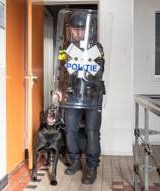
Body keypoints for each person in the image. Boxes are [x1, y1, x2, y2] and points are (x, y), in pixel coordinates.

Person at [53, 9, 105, 184]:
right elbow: (61, 70)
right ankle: (75, 160)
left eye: (81, 29)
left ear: (88, 30)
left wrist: (83, 68)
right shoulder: (66, 48)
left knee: (92, 132)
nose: (78, 32)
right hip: (71, 95)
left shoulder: (97, 48)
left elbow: (99, 71)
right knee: (70, 130)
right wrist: (60, 89)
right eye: (75, 29)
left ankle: (91, 166)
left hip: (93, 95)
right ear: (71, 30)